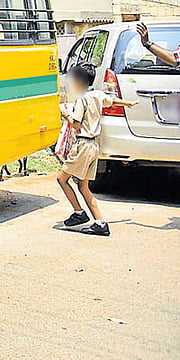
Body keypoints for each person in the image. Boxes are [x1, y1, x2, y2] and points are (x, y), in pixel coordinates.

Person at [56, 63, 137, 236]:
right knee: (83, 186)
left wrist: (65, 114)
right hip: (94, 146)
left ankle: (79, 213)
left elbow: (76, 124)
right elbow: (112, 100)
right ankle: (100, 222)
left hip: (83, 145)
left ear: (79, 81)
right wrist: (128, 103)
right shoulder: (97, 95)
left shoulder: (81, 100)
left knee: (62, 179)